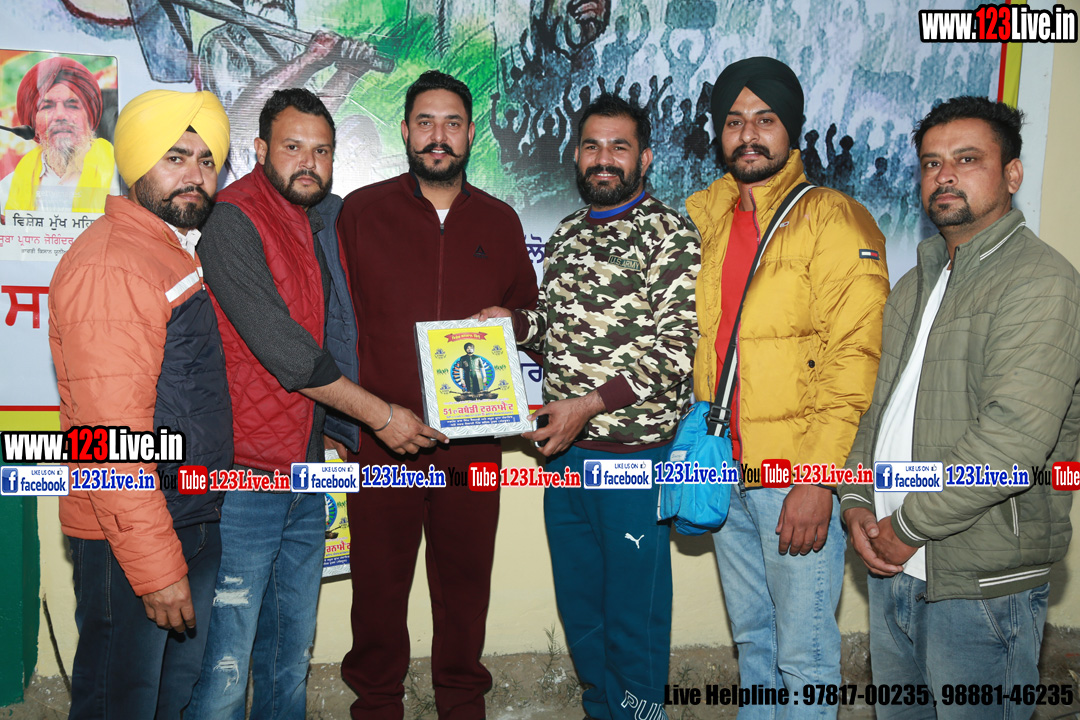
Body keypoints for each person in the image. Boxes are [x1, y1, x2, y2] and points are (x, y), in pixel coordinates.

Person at [186, 88, 443, 720]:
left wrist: (333, 430)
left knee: (289, 653)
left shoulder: (323, 216)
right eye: (293, 147)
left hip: (306, 472)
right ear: (258, 150)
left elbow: (343, 326)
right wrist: (380, 417)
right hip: (243, 476)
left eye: (322, 151)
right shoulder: (231, 221)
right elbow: (289, 353)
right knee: (225, 666)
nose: (309, 162)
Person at [841, 96, 1080, 718]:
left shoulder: (1040, 281)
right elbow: (877, 410)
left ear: (1012, 174)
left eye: (967, 159)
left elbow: (1010, 445)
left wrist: (905, 529)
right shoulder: (917, 281)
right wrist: (857, 500)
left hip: (979, 584)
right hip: (893, 567)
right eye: (931, 163)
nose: (944, 175)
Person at [478, 93, 700, 720]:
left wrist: (588, 405)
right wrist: (515, 323)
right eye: (592, 146)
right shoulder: (569, 232)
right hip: (565, 458)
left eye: (619, 147)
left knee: (632, 613)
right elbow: (556, 326)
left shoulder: (670, 234)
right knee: (582, 610)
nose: (604, 159)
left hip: (634, 459)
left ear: (644, 158)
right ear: (576, 155)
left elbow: (676, 350)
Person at [686, 57, 888, 717]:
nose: (748, 134)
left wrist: (818, 479)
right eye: (734, 121)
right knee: (755, 642)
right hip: (725, 469)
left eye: (765, 119)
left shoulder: (835, 219)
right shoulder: (705, 219)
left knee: (804, 653)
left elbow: (854, 358)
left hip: (793, 474)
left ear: (792, 130)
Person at [336, 70, 537, 720]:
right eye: (425, 122)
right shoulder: (361, 212)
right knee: (377, 590)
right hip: (382, 441)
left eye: (452, 123)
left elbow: (531, 315)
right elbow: (335, 322)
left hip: (474, 448)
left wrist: (517, 324)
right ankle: (376, 706)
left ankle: (462, 705)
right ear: (404, 131)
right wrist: (350, 423)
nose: (438, 136)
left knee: (465, 589)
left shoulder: (501, 221)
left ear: (471, 133)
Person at [47, 88, 232, 719]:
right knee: (120, 704)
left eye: (206, 161)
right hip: (130, 537)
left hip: (185, 515)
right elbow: (107, 441)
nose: (194, 175)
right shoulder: (114, 264)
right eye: (174, 157)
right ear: (133, 163)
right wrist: (156, 569)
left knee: (168, 701)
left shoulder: (164, 250)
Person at [1, 56, 118, 213]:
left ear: (89, 117)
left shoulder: (118, 178)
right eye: (47, 106)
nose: (60, 115)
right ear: (33, 122)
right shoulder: (8, 188)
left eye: (72, 105)